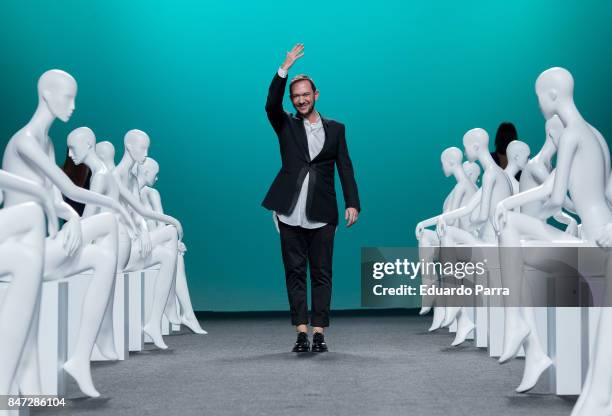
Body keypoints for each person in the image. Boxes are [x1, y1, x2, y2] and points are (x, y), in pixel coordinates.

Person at [262, 44, 361, 353]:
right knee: (293, 273)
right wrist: (284, 69)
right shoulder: (285, 124)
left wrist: (352, 202)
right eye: (296, 96)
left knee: (321, 273)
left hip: (323, 211)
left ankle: (319, 332)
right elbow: (269, 105)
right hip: (288, 211)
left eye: (306, 94)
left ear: (316, 94)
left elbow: (345, 166)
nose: (301, 100)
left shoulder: (336, 129)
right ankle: (301, 332)